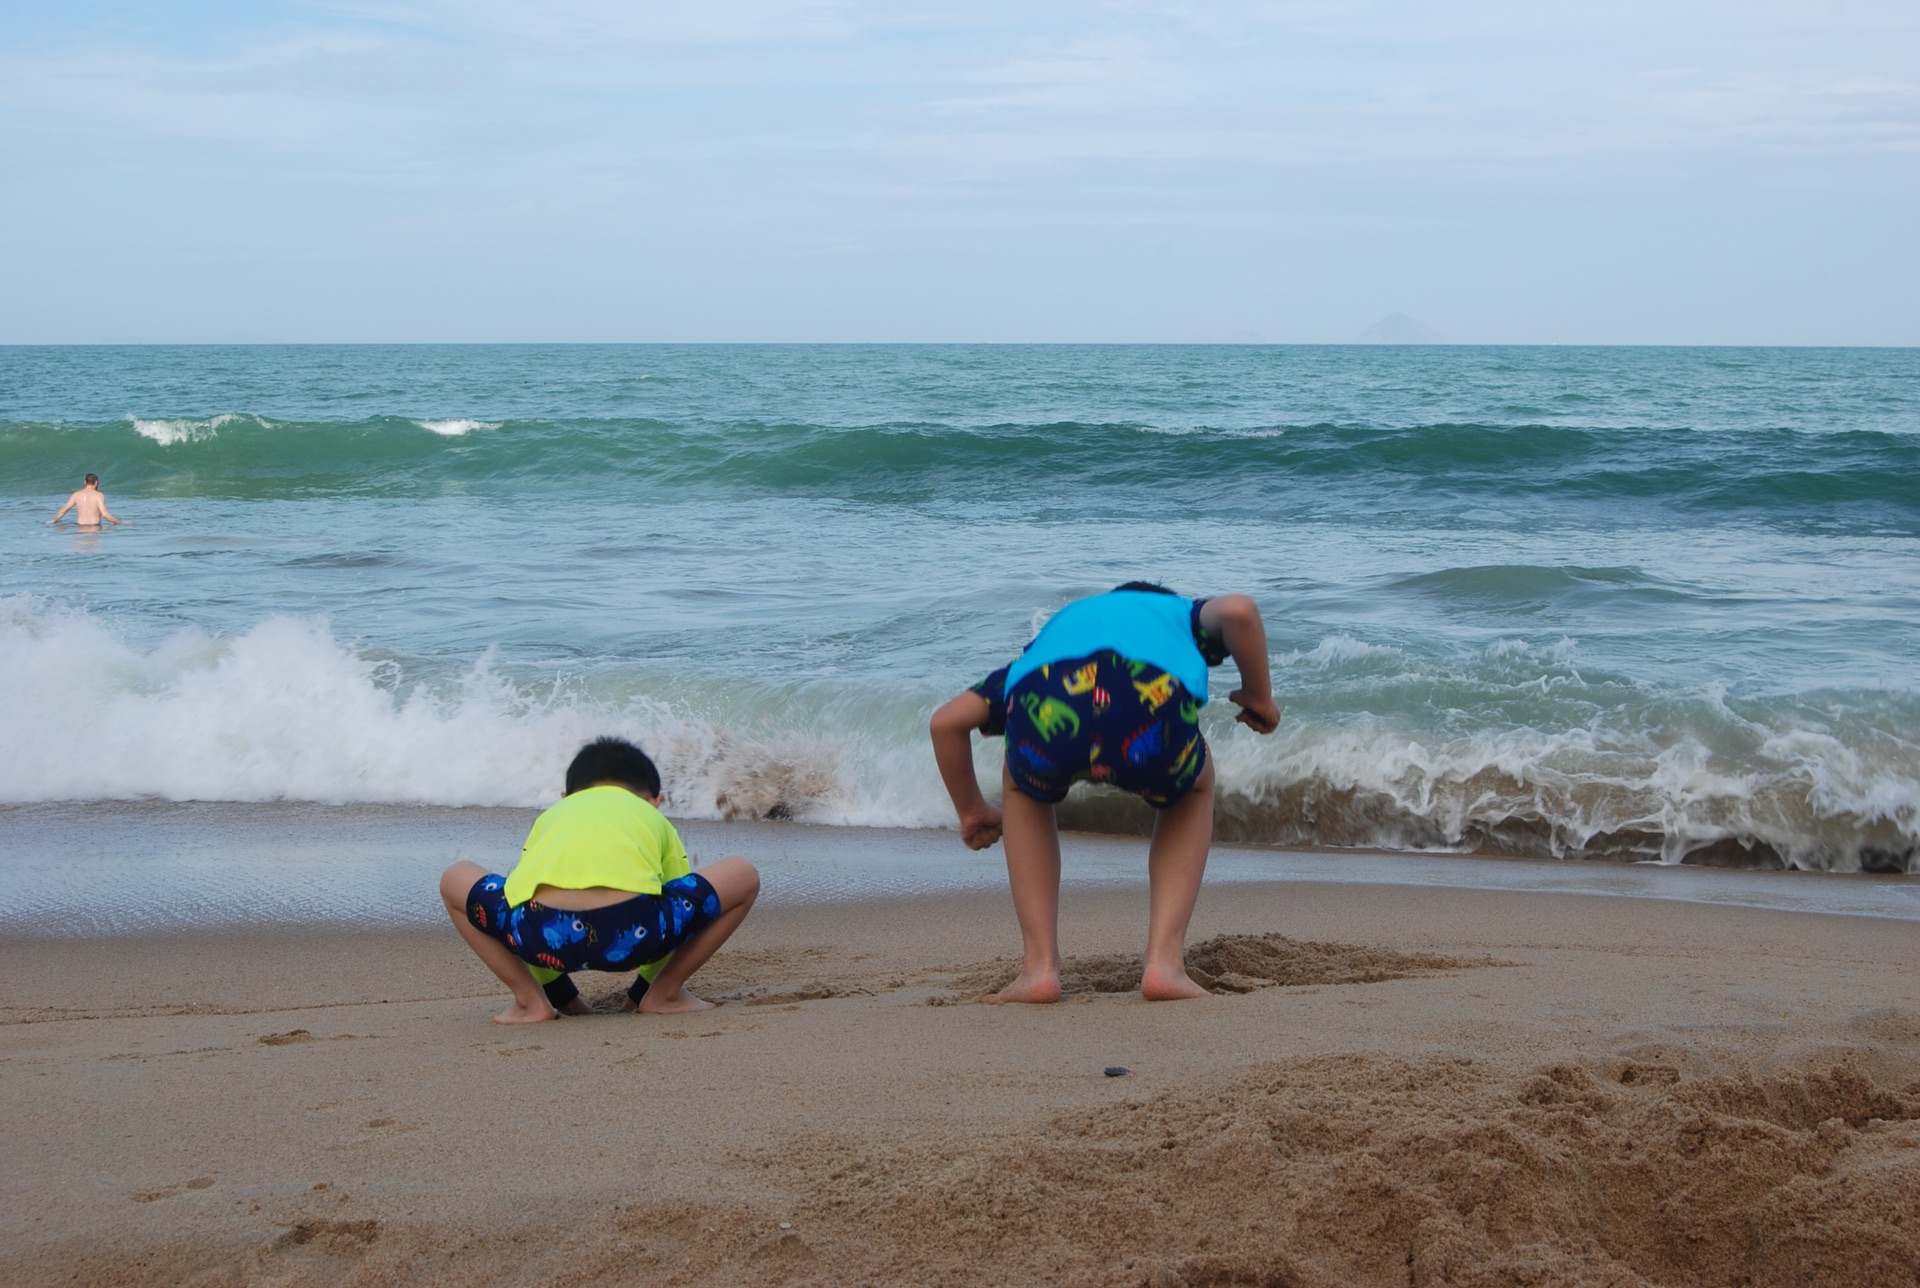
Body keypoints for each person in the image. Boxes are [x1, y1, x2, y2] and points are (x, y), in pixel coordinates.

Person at [929, 582, 1281, 1004]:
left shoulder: (1045, 646)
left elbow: (945, 723)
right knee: (1194, 785)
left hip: (1047, 686)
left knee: (1021, 785)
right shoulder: (1180, 614)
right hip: (1146, 697)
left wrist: (972, 810)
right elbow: (1240, 611)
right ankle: (1164, 965)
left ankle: (1038, 970)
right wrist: (1259, 697)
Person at [439, 736, 759, 1024]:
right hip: (635, 933)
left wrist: (566, 999)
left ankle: (530, 1002)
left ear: (566, 796)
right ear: (654, 801)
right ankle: (665, 993)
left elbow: (520, 893)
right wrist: (638, 993)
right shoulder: (649, 814)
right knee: (743, 873)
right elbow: (676, 902)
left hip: (540, 936)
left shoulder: (551, 816)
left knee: (455, 877)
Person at [49, 474, 123, 527]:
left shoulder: (76, 495)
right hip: (94, 527)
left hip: (80, 527)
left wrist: (53, 521)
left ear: (85, 482)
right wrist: (119, 522)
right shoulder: (98, 495)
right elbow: (105, 514)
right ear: (96, 482)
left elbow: (64, 510)